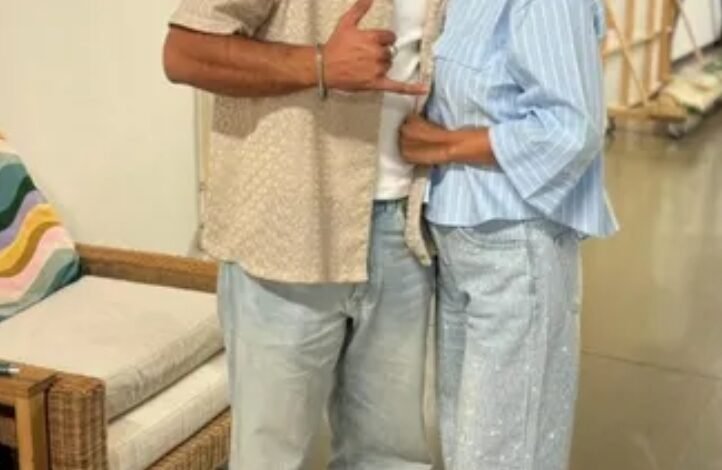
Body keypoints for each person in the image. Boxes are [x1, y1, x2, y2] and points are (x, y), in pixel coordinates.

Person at [162, 0, 446, 468]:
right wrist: (319, 64)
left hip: (404, 232)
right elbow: (183, 52)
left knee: (391, 459)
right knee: (269, 457)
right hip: (285, 233)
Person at [399, 0, 618, 469]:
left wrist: (444, 145)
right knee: (468, 444)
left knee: (504, 451)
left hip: (517, 246)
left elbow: (570, 129)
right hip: (460, 246)